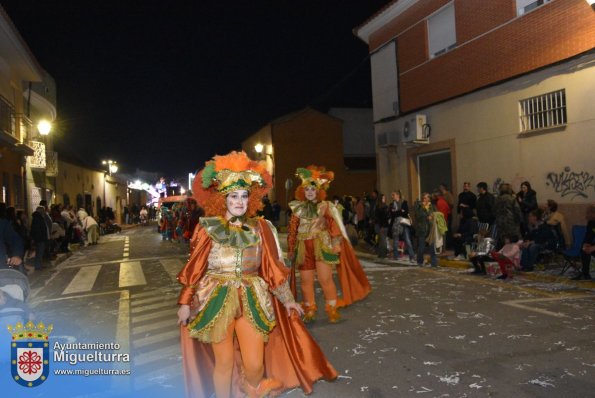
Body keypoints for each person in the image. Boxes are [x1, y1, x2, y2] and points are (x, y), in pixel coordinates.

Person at [176, 151, 337, 398]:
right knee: (225, 364)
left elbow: (271, 268)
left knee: (255, 366)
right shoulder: (208, 228)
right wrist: (185, 302)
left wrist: (289, 300)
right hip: (216, 298)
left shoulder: (261, 228)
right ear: (223, 198)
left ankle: (248, 389)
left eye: (243, 196)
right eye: (233, 196)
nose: (239, 201)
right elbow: (195, 268)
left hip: (252, 298)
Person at [287, 165, 371, 323]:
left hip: (321, 245)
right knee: (306, 281)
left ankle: (331, 308)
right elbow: (292, 230)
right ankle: (310, 309)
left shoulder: (325, 206)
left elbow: (334, 226)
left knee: (325, 279)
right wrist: (291, 249)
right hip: (304, 248)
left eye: (313, 189)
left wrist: (336, 244)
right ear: (302, 191)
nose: (310, 192)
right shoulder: (297, 208)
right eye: (307, 189)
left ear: (318, 191)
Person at [389, 191, 415, 263]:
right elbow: (392, 214)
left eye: (393, 195)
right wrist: (400, 211)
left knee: (407, 240)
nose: (392, 196)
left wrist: (397, 212)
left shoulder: (404, 202)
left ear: (397, 195)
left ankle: (412, 257)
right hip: (396, 225)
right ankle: (396, 256)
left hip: (404, 224)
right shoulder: (391, 204)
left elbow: (405, 212)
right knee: (395, 241)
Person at [414, 192, 439, 267]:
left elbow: (436, 214)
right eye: (424, 198)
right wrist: (426, 217)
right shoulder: (419, 206)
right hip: (422, 229)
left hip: (431, 228)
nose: (425, 199)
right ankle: (420, 261)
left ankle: (434, 263)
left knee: (432, 246)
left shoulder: (432, 206)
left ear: (429, 198)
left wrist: (433, 216)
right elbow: (417, 216)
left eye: (426, 198)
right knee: (421, 247)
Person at [494, 183, 522, 247]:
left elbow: (493, 211)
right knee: (513, 240)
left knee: (502, 240)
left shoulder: (497, 199)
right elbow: (517, 211)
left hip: (500, 223)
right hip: (511, 223)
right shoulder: (512, 199)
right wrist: (520, 221)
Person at [572, 204, 595, 280]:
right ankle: (585, 274)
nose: (587, 214)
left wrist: (593, 248)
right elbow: (589, 235)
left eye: (589, 212)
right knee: (584, 250)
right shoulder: (591, 223)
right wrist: (586, 244)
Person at [30, 206, 50, 271]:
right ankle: (38, 266)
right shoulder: (38, 218)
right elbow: (38, 229)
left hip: (40, 238)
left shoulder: (38, 217)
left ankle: (39, 265)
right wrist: (42, 238)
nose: (44, 211)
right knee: (39, 252)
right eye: (43, 210)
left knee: (40, 252)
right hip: (40, 239)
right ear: (41, 210)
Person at [375, 193, 390, 258]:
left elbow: (376, 217)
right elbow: (386, 217)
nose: (385, 199)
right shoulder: (384, 207)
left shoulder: (377, 207)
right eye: (383, 198)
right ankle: (383, 254)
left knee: (381, 240)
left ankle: (380, 254)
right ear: (381, 199)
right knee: (383, 241)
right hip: (383, 226)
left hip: (380, 225)